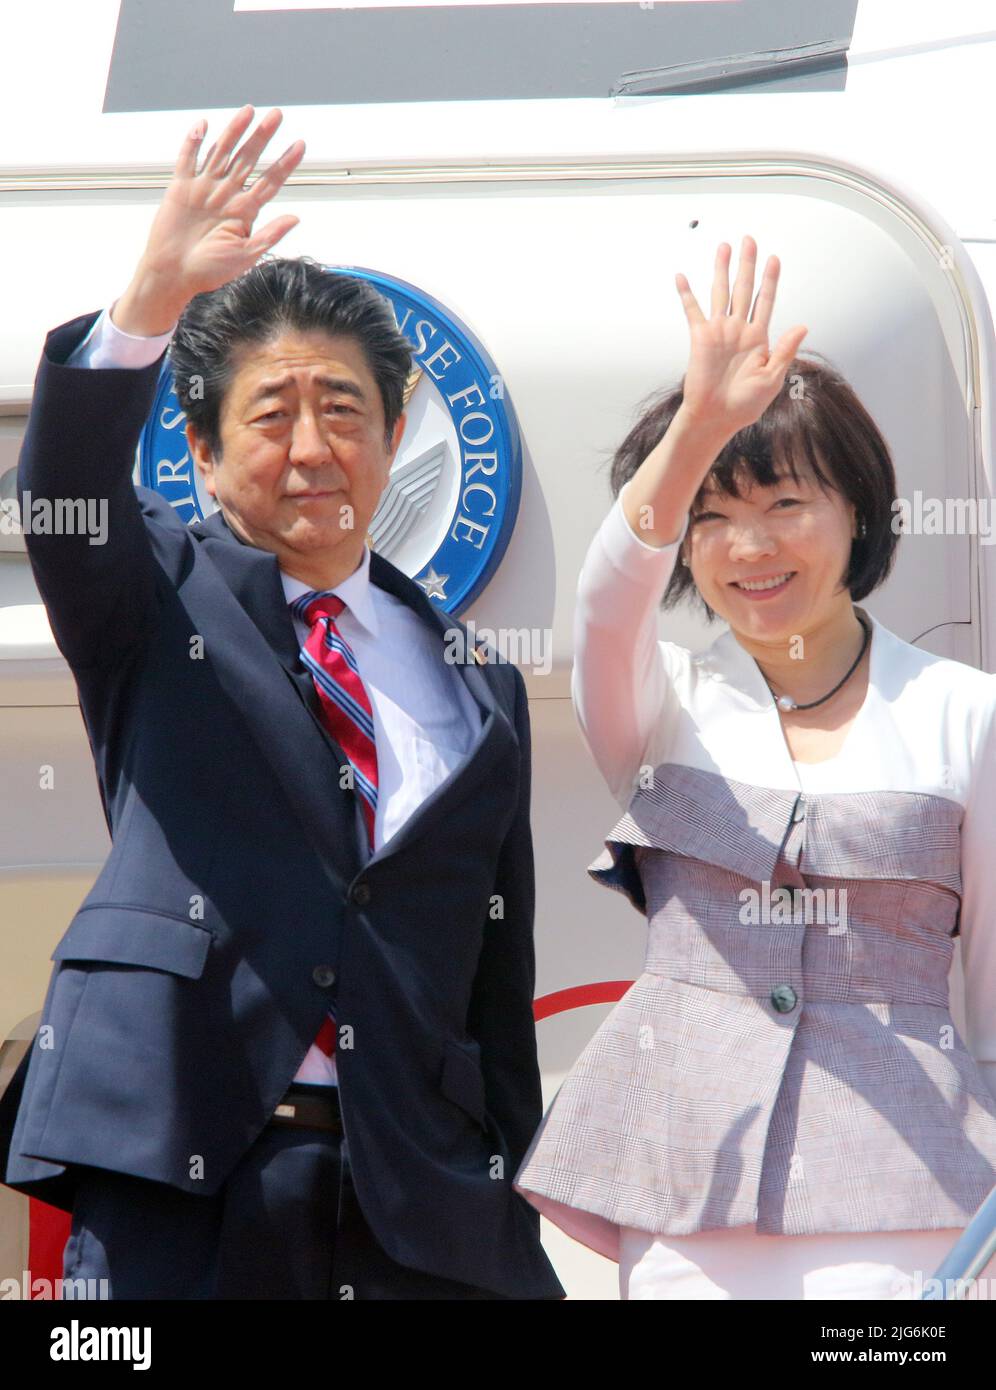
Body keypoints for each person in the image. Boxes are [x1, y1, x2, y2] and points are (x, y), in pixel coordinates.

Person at [0, 105, 564, 1302]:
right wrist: (152, 293)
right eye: (270, 414)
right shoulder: (152, 601)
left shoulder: (485, 692)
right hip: (188, 1187)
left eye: (346, 409)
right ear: (200, 452)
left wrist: (509, 1204)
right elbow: (62, 487)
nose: (313, 446)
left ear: (397, 432)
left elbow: (493, 987)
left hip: (416, 1200)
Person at [514, 236, 996, 1300]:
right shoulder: (660, 703)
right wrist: (695, 427)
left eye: (786, 506)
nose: (749, 547)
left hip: (918, 1198)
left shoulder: (967, 711)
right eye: (713, 518)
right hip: (689, 1191)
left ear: (858, 515)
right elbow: (602, 601)